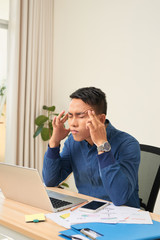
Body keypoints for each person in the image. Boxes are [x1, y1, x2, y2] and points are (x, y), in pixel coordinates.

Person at [42, 87, 140, 208]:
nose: (72, 123)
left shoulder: (128, 144)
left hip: (123, 217)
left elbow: (119, 198)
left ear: (101, 119)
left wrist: (102, 145)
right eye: (71, 116)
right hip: (86, 212)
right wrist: (54, 141)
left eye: (80, 116)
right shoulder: (73, 141)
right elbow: (51, 181)